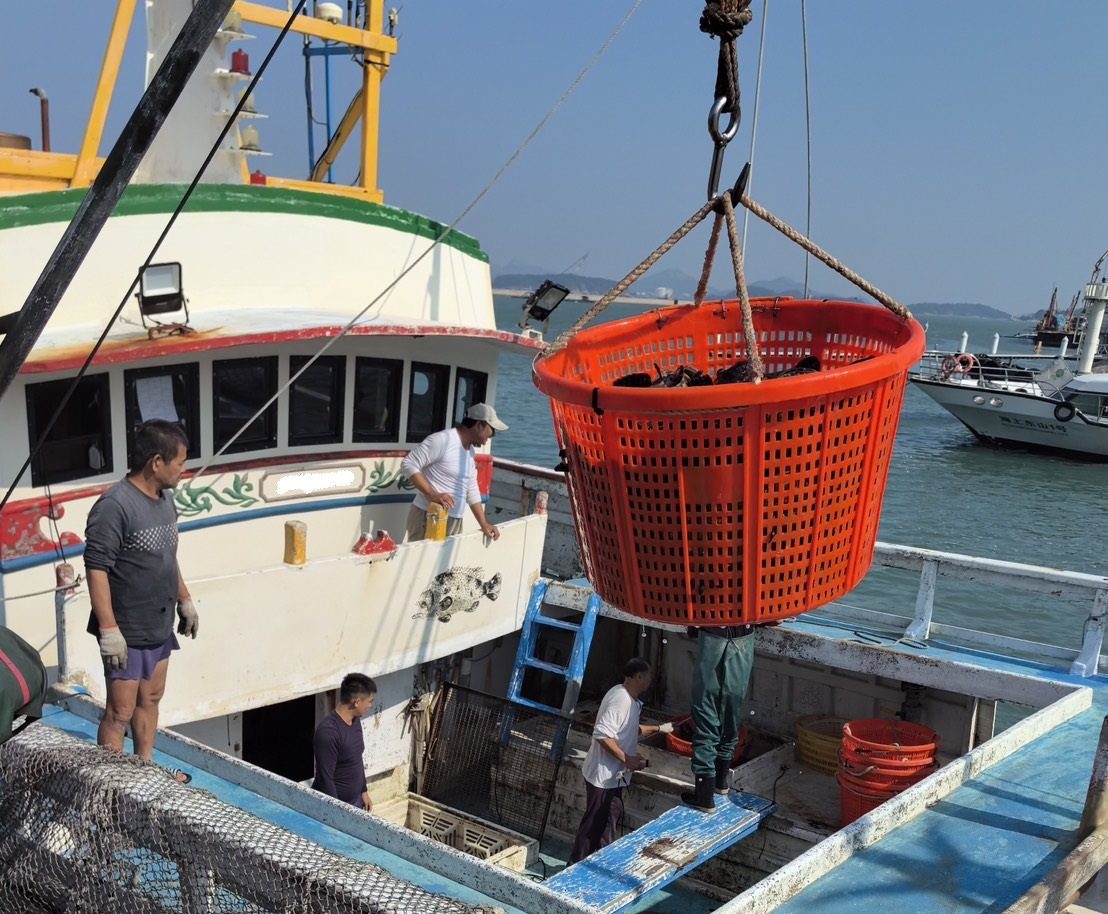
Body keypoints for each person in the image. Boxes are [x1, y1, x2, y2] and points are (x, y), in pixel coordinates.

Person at [84, 420, 198, 781]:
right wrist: (109, 629)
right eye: (179, 462)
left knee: (151, 699)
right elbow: (96, 567)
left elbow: (167, 555)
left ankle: (144, 770)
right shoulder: (115, 506)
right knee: (120, 711)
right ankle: (112, 784)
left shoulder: (166, 501)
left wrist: (185, 599)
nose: (183, 469)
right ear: (156, 462)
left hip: (159, 626)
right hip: (127, 629)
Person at [568, 658, 673, 864]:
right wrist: (628, 760)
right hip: (604, 777)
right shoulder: (622, 700)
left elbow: (629, 728)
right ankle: (575, 865)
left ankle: (600, 864)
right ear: (638, 677)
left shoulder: (625, 696)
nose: (651, 680)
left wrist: (660, 728)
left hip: (612, 778)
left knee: (610, 818)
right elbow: (602, 734)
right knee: (594, 825)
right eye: (648, 676)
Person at [400, 403, 506, 542]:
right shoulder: (442, 440)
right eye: (492, 429)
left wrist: (483, 523)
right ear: (479, 425)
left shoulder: (470, 452)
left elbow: (471, 488)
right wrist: (432, 495)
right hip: (428, 515)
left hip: (454, 519)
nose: (493, 434)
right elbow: (408, 463)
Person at [680, 625, 755, 812]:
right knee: (731, 716)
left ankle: (704, 797)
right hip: (743, 641)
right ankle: (720, 783)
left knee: (706, 720)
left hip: (713, 639)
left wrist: (693, 627)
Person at [313, 672, 377, 810]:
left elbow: (356, 758)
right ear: (357, 702)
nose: (370, 706)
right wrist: (339, 813)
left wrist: (363, 791)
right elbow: (325, 779)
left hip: (356, 802)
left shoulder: (355, 721)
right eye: (370, 701)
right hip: (334, 807)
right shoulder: (328, 732)